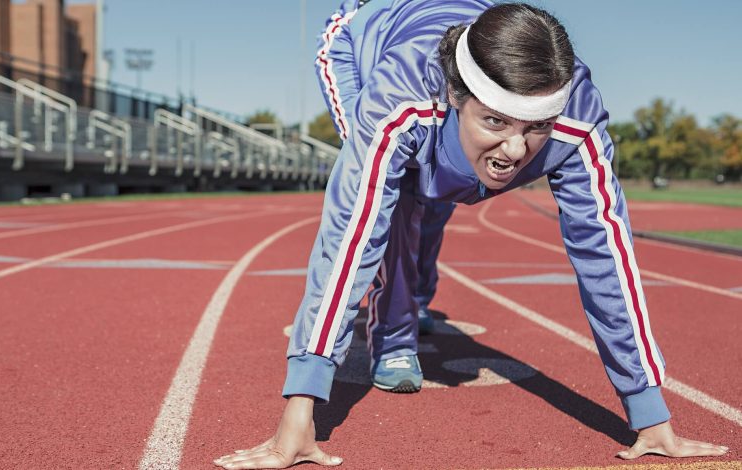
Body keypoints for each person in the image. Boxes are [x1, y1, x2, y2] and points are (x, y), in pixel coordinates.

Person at [214, 1, 729, 468]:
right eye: (495, 122)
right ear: (459, 98)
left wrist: (650, 413)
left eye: (536, 127)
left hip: (459, 61)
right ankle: (393, 337)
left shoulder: (578, 120)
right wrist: (300, 411)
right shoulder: (401, 97)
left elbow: (607, 256)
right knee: (394, 202)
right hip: (360, 40)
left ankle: (415, 295)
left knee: (441, 192)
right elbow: (350, 235)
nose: (514, 149)